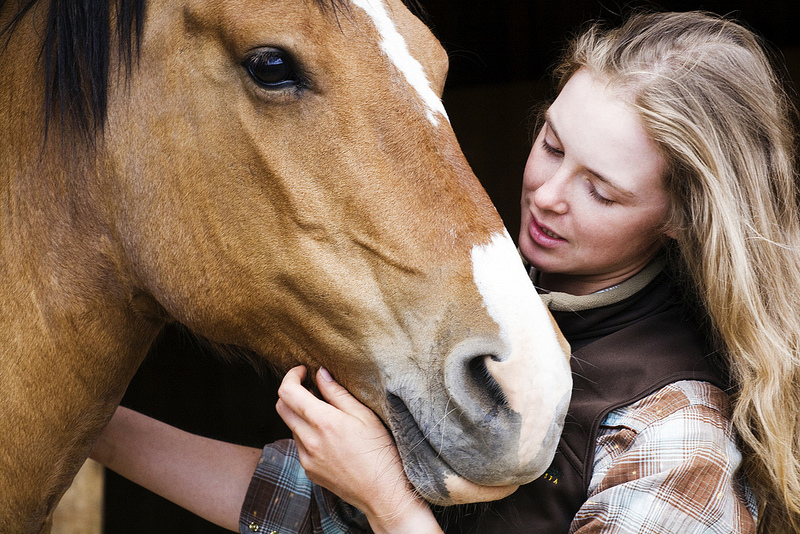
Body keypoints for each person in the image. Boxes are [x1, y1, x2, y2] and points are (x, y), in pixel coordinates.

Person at [90, 10, 800, 534]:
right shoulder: (513, 315)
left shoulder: (676, 428)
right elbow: (296, 504)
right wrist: (91, 425)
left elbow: (371, 506)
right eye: (552, 144)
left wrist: (391, 504)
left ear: (681, 216)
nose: (547, 194)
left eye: (601, 189)